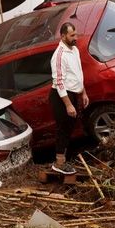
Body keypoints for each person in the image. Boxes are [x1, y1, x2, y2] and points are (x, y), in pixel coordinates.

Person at [49, 22, 89, 176]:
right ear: (63, 36)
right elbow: (59, 82)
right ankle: (59, 163)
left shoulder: (75, 50)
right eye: (72, 35)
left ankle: (63, 159)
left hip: (74, 93)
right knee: (63, 129)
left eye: (75, 34)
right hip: (62, 97)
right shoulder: (59, 55)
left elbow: (78, 73)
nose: (75, 38)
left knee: (71, 127)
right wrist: (68, 105)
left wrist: (83, 92)